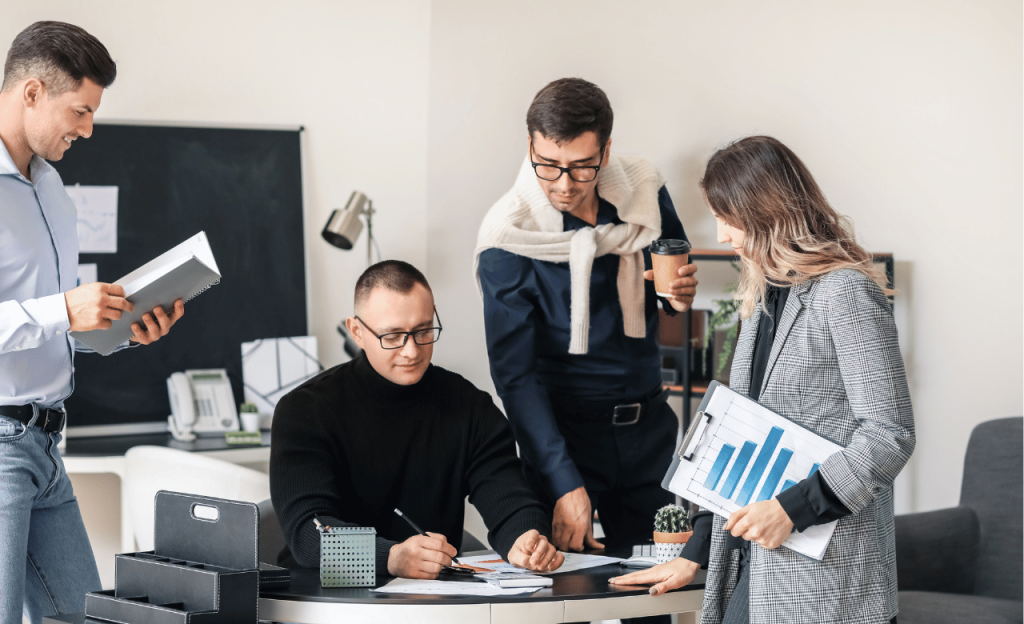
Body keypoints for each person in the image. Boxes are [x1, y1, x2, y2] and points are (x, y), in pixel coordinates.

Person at [610, 136, 915, 624]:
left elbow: (889, 434)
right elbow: (740, 433)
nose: (721, 234)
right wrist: (695, 552)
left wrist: (793, 509)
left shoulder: (845, 292)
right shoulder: (763, 299)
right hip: (756, 566)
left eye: (728, 218)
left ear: (766, 212)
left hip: (827, 580)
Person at [0, 22, 185, 624]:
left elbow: (53, 326)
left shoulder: (53, 189)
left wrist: (120, 331)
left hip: (47, 444)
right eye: (79, 111)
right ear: (32, 92)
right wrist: (64, 309)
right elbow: (55, 312)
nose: (87, 129)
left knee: (86, 617)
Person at [475, 78, 697, 554]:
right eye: (548, 166)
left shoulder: (644, 191)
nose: (563, 185)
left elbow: (669, 272)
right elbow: (515, 377)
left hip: (649, 432)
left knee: (660, 582)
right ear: (530, 146)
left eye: (581, 167)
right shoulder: (508, 238)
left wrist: (677, 296)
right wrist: (563, 481)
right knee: (566, 588)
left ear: (606, 150)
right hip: (565, 440)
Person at [270, 260, 563, 579]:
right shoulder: (305, 410)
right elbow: (307, 532)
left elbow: (508, 496)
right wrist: (390, 558)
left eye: (423, 331)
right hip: (321, 592)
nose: (411, 351)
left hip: (429, 594)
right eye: (393, 336)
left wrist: (525, 538)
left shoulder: (468, 406)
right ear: (357, 332)